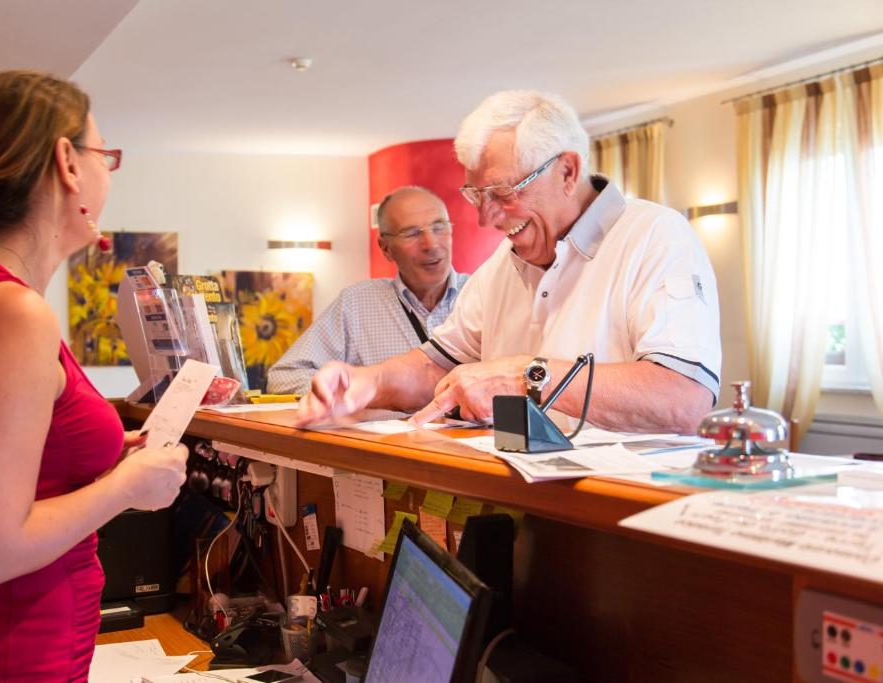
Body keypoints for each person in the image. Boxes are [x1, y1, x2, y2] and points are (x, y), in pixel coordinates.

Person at [0, 71, 188, 682]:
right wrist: (126, 486)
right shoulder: (14, 314)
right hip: (3, 656)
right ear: (67, 162)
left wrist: (91, 461)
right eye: (106, 156)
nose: (109, 174)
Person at [296, 90, 721, 435]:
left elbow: (684, 399)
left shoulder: (655, 237)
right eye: (476, 196)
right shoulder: (504, 264)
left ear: (568, 172)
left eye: (502, 193)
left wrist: (523, 377)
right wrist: (369, 383)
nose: (485, 218)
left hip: (621, 522)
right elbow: (437, 364)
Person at [266, 186, 469, 395]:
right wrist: (363, 395)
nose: (431, 244)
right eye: (412, 233)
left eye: (439, 227)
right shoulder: (357, 303)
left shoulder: (482, 293)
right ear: (386, 248)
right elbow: (284, 378)